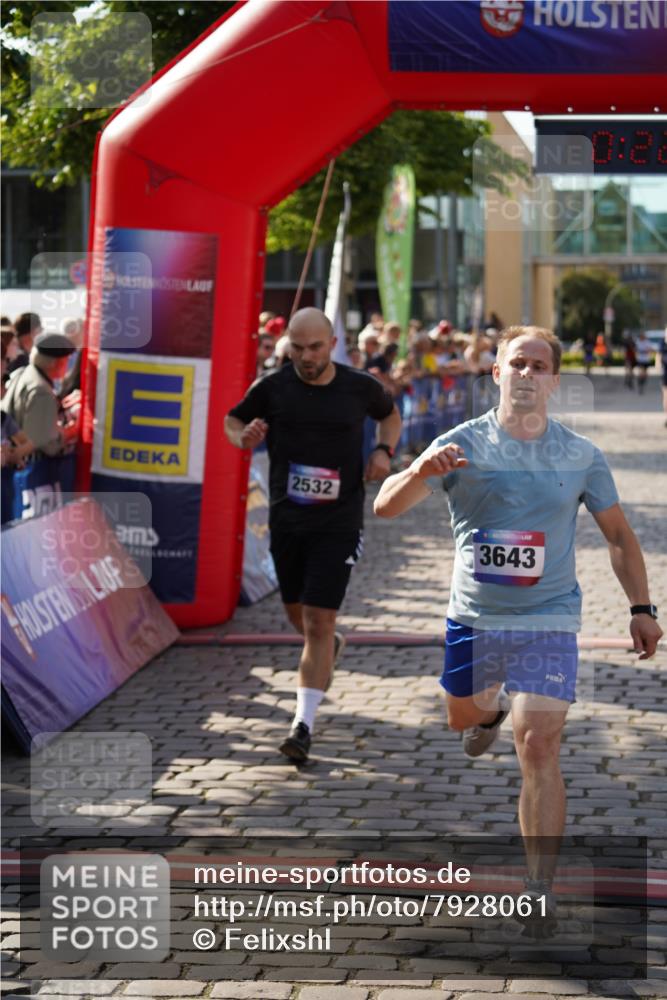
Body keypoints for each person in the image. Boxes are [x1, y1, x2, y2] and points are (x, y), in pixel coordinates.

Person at [374, 324, 662, 932]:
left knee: (539, 744)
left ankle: (538, 886)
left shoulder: (581, 455)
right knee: (463, 718)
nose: (527, 374)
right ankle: (485, 714)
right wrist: (420, 469)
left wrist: (642, 608)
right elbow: (385, 507)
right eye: (517, 364)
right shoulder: (460, 443)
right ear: (497, 373)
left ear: (555, 380)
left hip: (549, 619)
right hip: (473, 617)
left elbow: (618, 537)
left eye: (539, 365)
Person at [225, 307, 401, 763]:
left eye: (315, 347)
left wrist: (384, 450)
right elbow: (232, 421)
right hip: (288, 521)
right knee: (300, 619)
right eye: (298, 348)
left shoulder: (359, 386)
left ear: (332, 344)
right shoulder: (274, 386)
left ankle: (302, 724)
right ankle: (329, 650)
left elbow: (391, 415)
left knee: (319, 622)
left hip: (339, 521)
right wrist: (244, 435)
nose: (306, 356)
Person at [1, 332, 78, 456]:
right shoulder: (42, 392)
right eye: (66, 360)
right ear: (57, 363)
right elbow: (47, 446)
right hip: (30, 468)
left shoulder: (21, 373)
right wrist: (70, 432)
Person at [7, 312, 42, 376]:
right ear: (31, 332)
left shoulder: (14, 353)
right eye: (40, 329)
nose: (41, 334)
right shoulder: (20, 358)